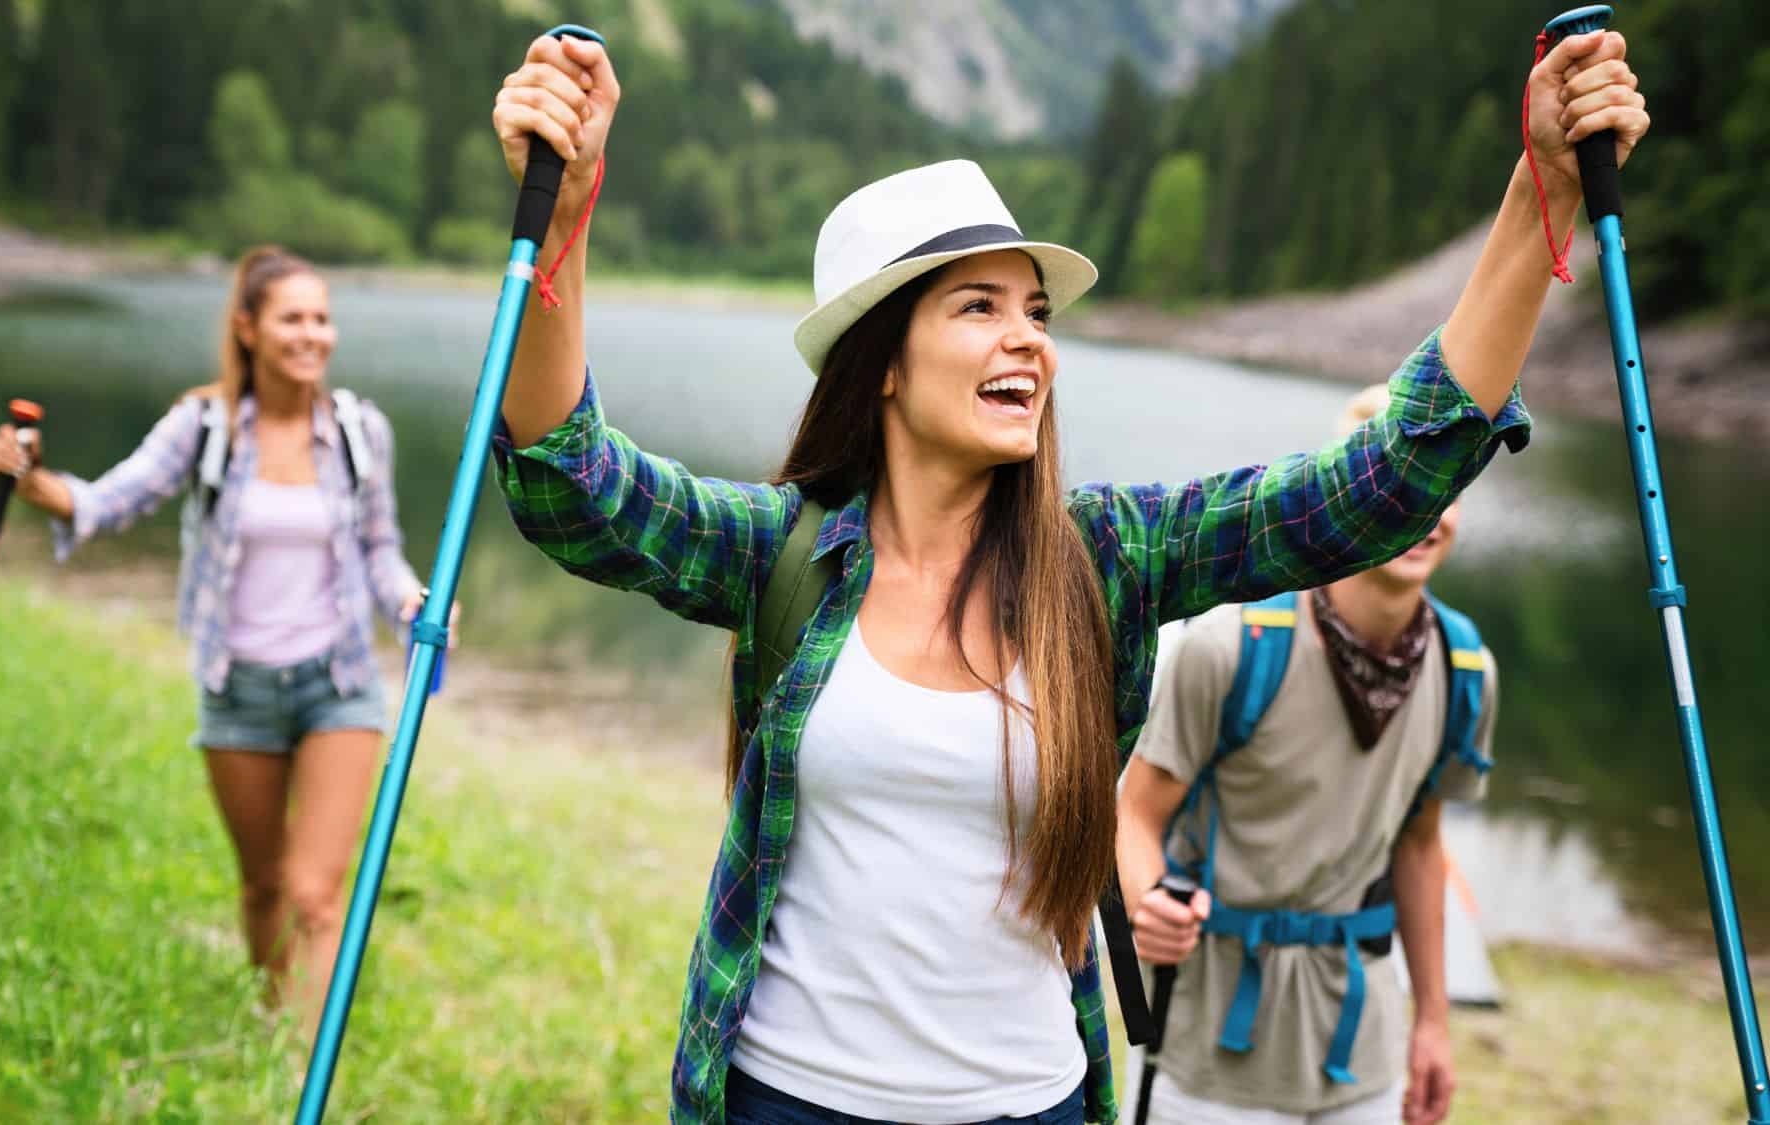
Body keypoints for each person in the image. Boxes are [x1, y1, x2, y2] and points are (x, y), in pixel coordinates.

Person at [487, 26, 1645, 1125]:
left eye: (1034, 312)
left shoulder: (1107, 560)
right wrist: (567, 218)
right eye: (978, 307)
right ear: (879, 365)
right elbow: (572, 488)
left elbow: (1381, 482)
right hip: (786, 1094)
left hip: (1025, 1097)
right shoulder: (778, 552)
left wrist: (1533, 193)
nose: (1028, 339)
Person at [0, 246, 426, 1025]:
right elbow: (109, 501)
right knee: (262, 886)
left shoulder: (361, 430)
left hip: (341, 681)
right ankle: (270, 1015)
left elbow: (381, 548)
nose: (312, 335)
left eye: (322, 318)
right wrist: (31, 480)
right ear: (248, 329)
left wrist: (415, 602)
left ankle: (299, 1069)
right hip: (239, 687)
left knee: (317, 894)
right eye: (293, 318)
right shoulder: (205, 426)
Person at [1118, 384, 1495, 1125]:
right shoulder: (1233, 645)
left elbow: (1421, 848)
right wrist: (1144, 900)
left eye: (1446, 489)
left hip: (1364, 1061)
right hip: (1204, 1059)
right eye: (1401, 490)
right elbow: (1134, 814)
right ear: (1349, 500)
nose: (1427, 514)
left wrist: (1432, 1022)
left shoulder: (1464, 666)